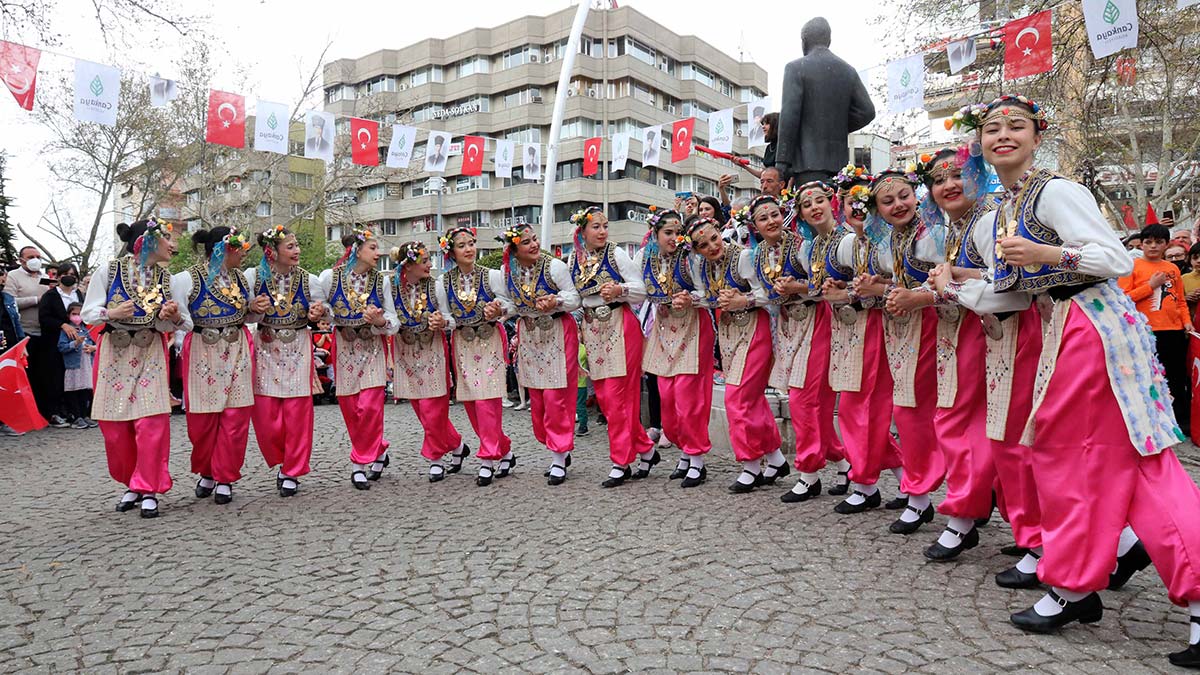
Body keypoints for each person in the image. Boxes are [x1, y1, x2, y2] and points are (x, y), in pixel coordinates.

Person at [944, 95, 1200, 667]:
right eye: (991, 128)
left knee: (1076, 457)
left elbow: (1112, 257)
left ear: (1038, 136)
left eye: (1016, 126)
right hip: (1065, 325)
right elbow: (1012, 294)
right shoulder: (1005, 211)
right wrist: (954, 288)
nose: (1002, 135)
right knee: (1116, 461)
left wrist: (1045, 250)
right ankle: (1078, 585)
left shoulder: (1056, 191)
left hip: (1093, 324)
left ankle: (1075, 585)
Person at [888, 147, 998, 560]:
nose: (948, 185)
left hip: (986, 331)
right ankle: (976, 516)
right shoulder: (951, 229)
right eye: (938, 179)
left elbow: (1007, 280)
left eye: (958, 175)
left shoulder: (987, 220)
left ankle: (967, 515)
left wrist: (939, 287)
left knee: (963, 423)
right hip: (957, 329)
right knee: (958, 421)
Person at [856, 169, 947, 535]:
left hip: (935, 327)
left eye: (904, 196)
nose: (899, 205)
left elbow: (947, 280)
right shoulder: (887, 242)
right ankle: (920, 494)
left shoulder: (933, 236)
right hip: (902, 329)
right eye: (888, 201)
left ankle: (925, 494)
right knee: (907, 411)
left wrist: (908, 295)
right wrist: (876, 287)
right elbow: (901, 282)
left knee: (919, 413)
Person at [81, 217, 187, 518]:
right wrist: (110, 312)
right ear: (147, 241)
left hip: (150, 350)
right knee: (115, 427)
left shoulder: (169, 280)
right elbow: (88, 314)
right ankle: (132, 482)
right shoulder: (108, 271)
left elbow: (182, 323)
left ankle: (149, 486)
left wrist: (172, 316)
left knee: (150, 421)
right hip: (114, 351)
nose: (173, 244)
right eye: (167, 238)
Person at [822, 166, 904, 512]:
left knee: (863, 406)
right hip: (854, 329)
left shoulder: (888, 243)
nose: (856, 209)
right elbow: (846, 284)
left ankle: (865, 480)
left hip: (887, 327)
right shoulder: (850, 244)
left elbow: (915, 285)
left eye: (862, 202)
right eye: (848, 201)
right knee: (856, 405)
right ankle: (904, 476)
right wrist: (837, 291)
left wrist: (870, 291)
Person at [687, 214, 785, 493]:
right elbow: (707, 296)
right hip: (729, 333)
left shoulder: (743, 257)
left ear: (720, 231)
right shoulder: (702, 267)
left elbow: (767, 293)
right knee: (751, 400)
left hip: (755, 328)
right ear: (696, 249)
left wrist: (745, 299)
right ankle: (776, 459)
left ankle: (751, 464)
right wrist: (689, 299)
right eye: (703, 245)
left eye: (714, 238)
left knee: (737, 398)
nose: (712, 247)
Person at [766, 183, 849, 502]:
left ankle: (809, 472)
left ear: (833, 202)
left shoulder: (840, 240)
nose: (815, 207)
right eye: (806, 203)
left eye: (820, 200)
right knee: (811, 405)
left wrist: (797, 287)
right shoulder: (810, 246)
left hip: (823, 324)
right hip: (796, 328)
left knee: (805, 402)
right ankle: (843, 463)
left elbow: (816, 288)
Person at [172, 226, 266, 506]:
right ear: (222, 249)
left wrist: (255, 309)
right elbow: (181, 321)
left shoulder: (240, 278)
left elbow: (245, 313)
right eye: (238, 248)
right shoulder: (185, 279)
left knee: (236, 416)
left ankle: (225, 476)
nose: (243, 254)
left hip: (237, 345)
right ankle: (208, 470)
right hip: (203, 347)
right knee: (203, 419)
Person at [568, 205, 655, 487]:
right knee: (606, 399)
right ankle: (645, 448)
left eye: (605, 226)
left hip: (620, 324)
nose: (603, 231)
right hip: (594, 330)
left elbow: (642, 288)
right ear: (582, 231)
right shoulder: (574, 260)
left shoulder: (616, 254)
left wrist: (621, 290)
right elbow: (574, 298)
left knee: (619, 397)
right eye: (596, 226)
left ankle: (621, 460)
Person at [634, 208, 715, 488]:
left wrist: (692, 298)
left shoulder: (691, 257)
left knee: (687, 397)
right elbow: (636, 289)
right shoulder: (645, 257)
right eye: (668, 232)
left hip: (693, 327)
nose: (674, 237)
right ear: (655, 235)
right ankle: (684, 450)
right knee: (667, 399)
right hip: (663, 329)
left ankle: (696, 459)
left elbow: (709, 291)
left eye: (678, 232)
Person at [494, 223, 581, 485]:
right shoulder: (506, 273)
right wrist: (500, 308)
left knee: (556, 397)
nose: (533, 245)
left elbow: (574, 298)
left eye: (534, 239)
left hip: (556, 330)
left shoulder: (554, 266)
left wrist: (556, 301)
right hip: (530, 335)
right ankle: (555, 445)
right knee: (538, 400)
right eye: (526, 242)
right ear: (513, 249)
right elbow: (509, 303)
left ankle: (558, 455)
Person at [245, 225, 326, 497]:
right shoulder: (252, 277)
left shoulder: (309, 280)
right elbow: (243, 315)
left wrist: (317, 312)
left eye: (296, 245)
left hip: (298, 348)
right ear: (272, 251)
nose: (297, 251)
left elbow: (321, 310)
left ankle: (292, 469)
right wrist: (253, 310)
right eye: (290, 247)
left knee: (297, 413)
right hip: (267, 346)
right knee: (266, 415)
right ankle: (281, 458)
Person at [319, 227, 399, 490]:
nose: (379, 253)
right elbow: (323, 306)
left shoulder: (382, 281)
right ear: (356, 250)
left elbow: (393, 319)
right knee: (352, 408)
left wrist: (380, 321)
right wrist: (325, 312)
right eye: (373, 248)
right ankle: (379, 450)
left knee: (370, 407)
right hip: (344, 348)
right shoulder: (330, 277)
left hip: (373, 348)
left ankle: (359, 464)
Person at [436, 226, 515, 486]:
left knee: (487, 401)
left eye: (471, 243)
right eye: (462, 245)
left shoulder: (491, 275)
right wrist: (442, 322)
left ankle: (487, 459)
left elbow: (509, 303)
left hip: (489, 338)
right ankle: (503, 449)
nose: (469, 249)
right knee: (471, 402)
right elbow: (447, 316)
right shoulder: (443, 282)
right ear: (452, 252)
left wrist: (498, 308)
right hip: (463, 342)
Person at [389, 241, 470, 483]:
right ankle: (456, 445)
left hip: (433, 350)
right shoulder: (390, 287)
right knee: (422, 410)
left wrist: (442, 323)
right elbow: (388, 315)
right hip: (405, 351)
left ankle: (435, 459)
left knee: (433, 409)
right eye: (424, 261)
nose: (429, 265)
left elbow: (451, 318)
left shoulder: (436, 287)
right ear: (409, 264)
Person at [775, 17, 875, 184]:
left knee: (812, 208)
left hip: (807, 164)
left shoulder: (795, 68)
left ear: (804, 40)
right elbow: (867, 111)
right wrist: (839, 125)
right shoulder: (848, 70)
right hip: (840, 165)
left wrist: (781, 162)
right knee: (835, 208)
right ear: (829, 40)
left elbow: (789, 116)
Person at [1118, 223, 1192, 436]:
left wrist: (1186, 321)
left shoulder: (1173, 269)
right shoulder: (1131, 267)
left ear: (1166, 245)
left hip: (1174, 330)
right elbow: (1123, 299)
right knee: (1147, 377)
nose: (1153, 246)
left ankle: (1180, 421)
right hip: (1145, 332)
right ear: (1141, 244)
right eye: (1148, 241)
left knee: (1177, 377)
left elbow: (1180, 302)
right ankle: (1150, 421)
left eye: (1158, 242)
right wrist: (1150, 285)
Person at [38, 261, 84, 427]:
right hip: (54, 341)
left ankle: (74, 412)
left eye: (72, 275)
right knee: (55, 377)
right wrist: (63, 325)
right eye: (65, 275)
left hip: (75, 343)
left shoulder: (78, 294)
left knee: (73, 377)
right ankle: (54, 412)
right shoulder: (50, 296)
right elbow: (44, 317)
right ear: (58, 277)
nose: (69, 278)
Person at [56, 301, 96, 429]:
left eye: (79, 314)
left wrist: (92, 348)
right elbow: (61, 347)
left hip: (86, 365)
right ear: (69, 315)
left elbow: (94, 342)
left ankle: (84, 415)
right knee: (74, 390)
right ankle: (76, 416)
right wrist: (75, 343)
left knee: (85, 390)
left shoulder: (86, 329)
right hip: (73, 365)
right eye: (74, 314)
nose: (77, 317)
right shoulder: (67, 331)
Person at [1182, 242, 1200, 318]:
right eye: (1195, 257)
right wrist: (1186, 298)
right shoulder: (1184, 278)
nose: (1199, 261)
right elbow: (1176, 302)